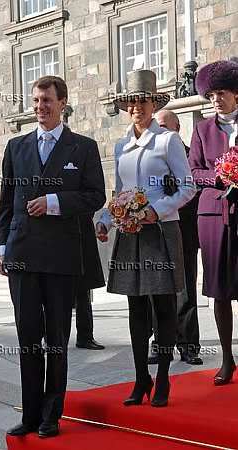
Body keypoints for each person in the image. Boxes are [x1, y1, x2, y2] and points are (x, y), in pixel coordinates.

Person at [0, 75, 106, 437]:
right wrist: (2, 247)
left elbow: (95, 196)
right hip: (22, 254)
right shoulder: (16, 146)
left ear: (63, 103)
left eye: (46, 101)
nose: (40, 107)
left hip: (61, 257)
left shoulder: (83, 147)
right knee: (28, 336)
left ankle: (50, 414)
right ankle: (29, 415)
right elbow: (6, 204)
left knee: (56, 337)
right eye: (36, 101)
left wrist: (55, 202)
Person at [96, 69, 196, 407]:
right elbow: (121, 192)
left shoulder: (167, 141)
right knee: (136, 309)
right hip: (129, 235)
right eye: (132, 102)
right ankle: (141, 379)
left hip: (161, 231)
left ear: (154, 104)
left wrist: (158, 210)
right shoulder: (121, 145)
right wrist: (106, 221)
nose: (138, 107)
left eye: (144, 101)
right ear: (127, 107)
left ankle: (164, 377)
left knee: (164, 307)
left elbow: (188, 187)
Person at [189, 60, 238, 385]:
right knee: (219, 289)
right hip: (212, 216)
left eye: (221, 93)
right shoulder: (201, 130)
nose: (216, 100)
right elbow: (193, 172)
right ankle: (226, 358)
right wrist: (220, 177)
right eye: (210, 96)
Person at [148, 109, 202, 365]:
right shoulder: (150, 156)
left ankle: (189, 345)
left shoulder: (192, 155)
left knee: (186, 291)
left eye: (163, 127)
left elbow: (192, 191)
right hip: (156, 232)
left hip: (185, 233)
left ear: (177, 128)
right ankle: (160, 344)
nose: (159, 132)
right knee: (157, 291)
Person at [75, 213, 105, 350]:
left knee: (83, 289)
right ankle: (50, 338)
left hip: (81, 230)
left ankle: (85, 336)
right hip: (56, 232)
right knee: (53, 291)